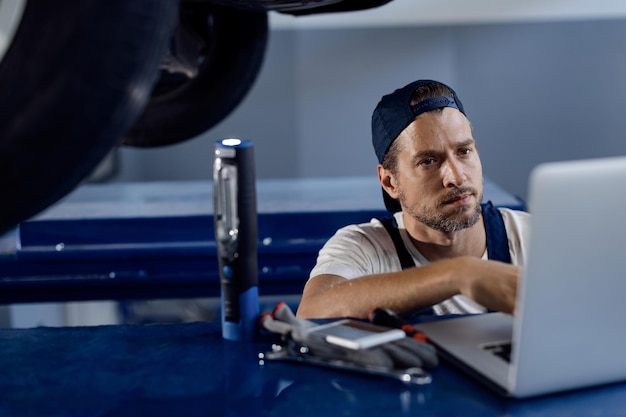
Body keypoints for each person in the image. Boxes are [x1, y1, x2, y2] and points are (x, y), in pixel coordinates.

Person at [296, 79, 530, 319]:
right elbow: (311, 311)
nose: (456, 177)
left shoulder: (534, 237)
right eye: (428, 161)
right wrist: (460, 274)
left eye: (464, 151)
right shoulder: (364, 248)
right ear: (390, 182)